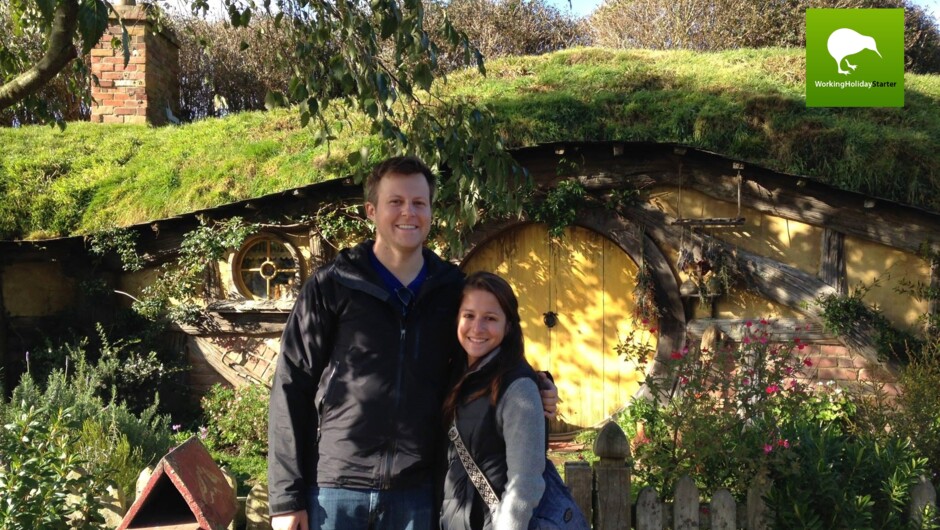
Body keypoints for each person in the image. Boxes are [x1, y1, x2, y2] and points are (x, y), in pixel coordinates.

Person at [268, 156, 557, 530]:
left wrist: (535, 383)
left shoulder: (451, 290)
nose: (409, 212)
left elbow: (484, 356)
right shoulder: (332, 286)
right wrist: (286, 498)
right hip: (335, 492)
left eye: (419, 203)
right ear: (372, 210)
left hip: (416, 495)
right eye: (396, 202)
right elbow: (291, 386)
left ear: (431, 211)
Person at [439, 271, 546, 530]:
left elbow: (525, 482)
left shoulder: (517, 387)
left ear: (508, 326)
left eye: (490, 318)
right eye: (469, 316)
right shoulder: (456, 374)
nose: (477, 328)